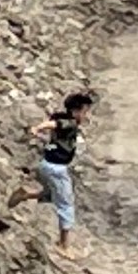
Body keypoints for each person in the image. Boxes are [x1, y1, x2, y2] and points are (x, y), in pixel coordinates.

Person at [31, 90, 94, 258]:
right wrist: (39, 127)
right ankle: (63, 245)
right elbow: (55, 125)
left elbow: (54, 122)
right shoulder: (70, 123)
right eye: (85, 111)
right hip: (57, 168)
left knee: (52, 195)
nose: (86, 116)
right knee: (66, 204)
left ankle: (25, 194)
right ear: (75, 111)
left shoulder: (61, 117)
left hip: (46, 164)